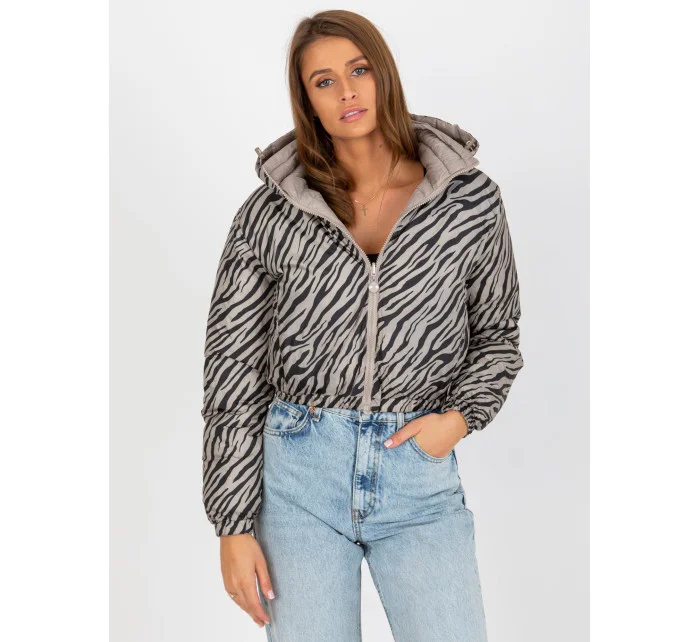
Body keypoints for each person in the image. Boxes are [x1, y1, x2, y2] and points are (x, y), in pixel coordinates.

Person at [200, 9, 524, 641]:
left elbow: (497, 337)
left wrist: (456, 422)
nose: (347, 91)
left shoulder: (468, 201)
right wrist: (233, 524)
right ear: (307, 101)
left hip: (417, 475)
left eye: (359, 70)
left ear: (384, 75)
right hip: (298, 480)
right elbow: (232, 370)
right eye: (324, 81)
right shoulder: (270, 214)